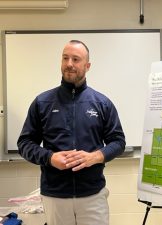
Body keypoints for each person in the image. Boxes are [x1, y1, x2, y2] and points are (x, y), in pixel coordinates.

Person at [17, 40, 126, 225]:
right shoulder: (42, 103)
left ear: (87, 65)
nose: (69, 64)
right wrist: (50, 158)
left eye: (76, 59)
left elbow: (118, 142)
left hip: (92, 195)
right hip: (55, 196)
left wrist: (96, 156)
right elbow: (25, 143)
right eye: (65, 58)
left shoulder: (102, 103)